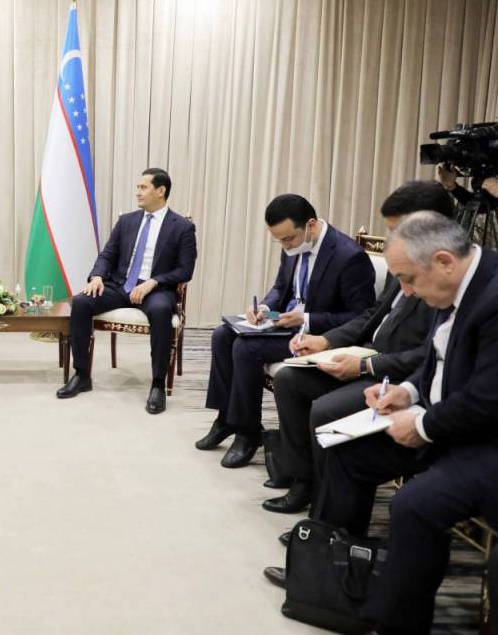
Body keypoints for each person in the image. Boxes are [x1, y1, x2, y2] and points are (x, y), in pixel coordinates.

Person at [273, 211, 498, 634]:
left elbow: (487, 399)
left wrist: (423, 425)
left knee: (413, 505)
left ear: (444, 261)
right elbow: (434, 358)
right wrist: (407, 393)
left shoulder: (491, 297)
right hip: (441, 419)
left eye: (409, 280)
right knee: (346, 451)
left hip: (480, 440)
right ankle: (330, 571)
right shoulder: (450, 286)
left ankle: (397, 621)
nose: (406, 292)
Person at [265, 181, 452, 514]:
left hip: (392, 371)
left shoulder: (444, 276)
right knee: (289, 379)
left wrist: (367, 366)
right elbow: (373, 314)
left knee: (325, 410)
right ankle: (302, 479)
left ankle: (327, 506)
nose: (392, 239)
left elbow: (431, 353)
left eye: (398, 230)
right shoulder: (403, 261)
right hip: (364, 352)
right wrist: (328, 340)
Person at [198, 194, 376, 468]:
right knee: (222, 335)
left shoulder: (349, 256)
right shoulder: (293, 244)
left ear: (311, 224)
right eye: (279, 240)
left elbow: (361, 316)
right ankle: (226, 418)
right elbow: (281, 287)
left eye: (289, 239)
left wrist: (307, 319)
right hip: (283, 323)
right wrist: (264, 308)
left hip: (314, 335)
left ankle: (248, 432)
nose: (285, 245)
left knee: (246, 348)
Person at [55, 167, 197, 414]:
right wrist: (97, 276)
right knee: (82, 302)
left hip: (156, 290)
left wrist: (154, 281)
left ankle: (157, 384)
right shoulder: (127, 221)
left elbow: (185, 270)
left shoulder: (182, 227)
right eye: (137, 187)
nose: (137, 192)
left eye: (143, 187)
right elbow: (108, 254)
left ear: (161, 191)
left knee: (161, 312)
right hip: (121, 286)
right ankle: (82, 374)